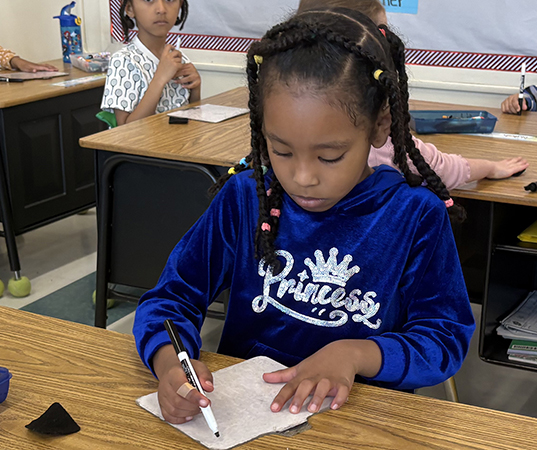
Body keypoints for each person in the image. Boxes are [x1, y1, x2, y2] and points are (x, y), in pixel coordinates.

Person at [133, 9, 475, 425]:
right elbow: (171, 299)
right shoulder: (246, 199)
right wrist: (171, 365)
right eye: (281, 151)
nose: (303, 177)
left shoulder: (414, 216)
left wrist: (355, 354)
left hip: (360, 423)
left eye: (330, 156)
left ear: (380, 125)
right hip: (247, 419)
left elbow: (444, 337)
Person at [298, 0, 528, 188]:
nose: (302, 179)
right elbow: (438, 168)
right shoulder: (375, 142)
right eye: (382, 34)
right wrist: (490, 167)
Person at [100, 0, 201, 126]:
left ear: (179, 6)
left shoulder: (178, 59)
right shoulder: (123, 61)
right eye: (148, 0)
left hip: (177, 143)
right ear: (130, 9)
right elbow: (125, 130)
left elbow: (191, 118)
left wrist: (195, 89)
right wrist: (160, 78)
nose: (161, 9)